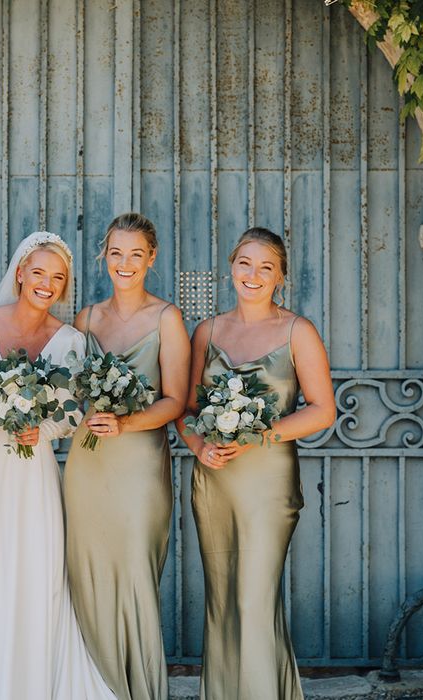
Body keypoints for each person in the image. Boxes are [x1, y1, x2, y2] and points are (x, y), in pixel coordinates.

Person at [0, 232, 114, 700]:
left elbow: (74, 412)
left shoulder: (71, 340)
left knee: (35, 573)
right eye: (38, 272)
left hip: (32, 471)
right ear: (20, 273)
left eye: (57, 277)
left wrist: (47, 430)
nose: (46, 283)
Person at [176, 227, 336, 700]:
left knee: (255, 597)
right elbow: (186, 411)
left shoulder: (296, 331)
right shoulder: (207, 331)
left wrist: (257, 436)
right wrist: (199, 447)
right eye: (245, 262)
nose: (253, 274)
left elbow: (322, 409)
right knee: (222, 600)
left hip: (268, 481)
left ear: (280, 276)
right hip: (214, 478)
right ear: (231, 267)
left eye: (266, 266)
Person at [63, 213, 190, 700]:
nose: (125, 263)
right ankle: (95, 688)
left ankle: (139, 689)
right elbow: (68, 396)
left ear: (151, 259)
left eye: (136, 254)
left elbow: (175, 400)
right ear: (104, 256)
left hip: (139, 465)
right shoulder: (86, 320)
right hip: (87, 465)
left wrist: (125, 423)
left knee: (135, 571)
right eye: (116, 253)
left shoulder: (166, 318)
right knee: (88, 572)